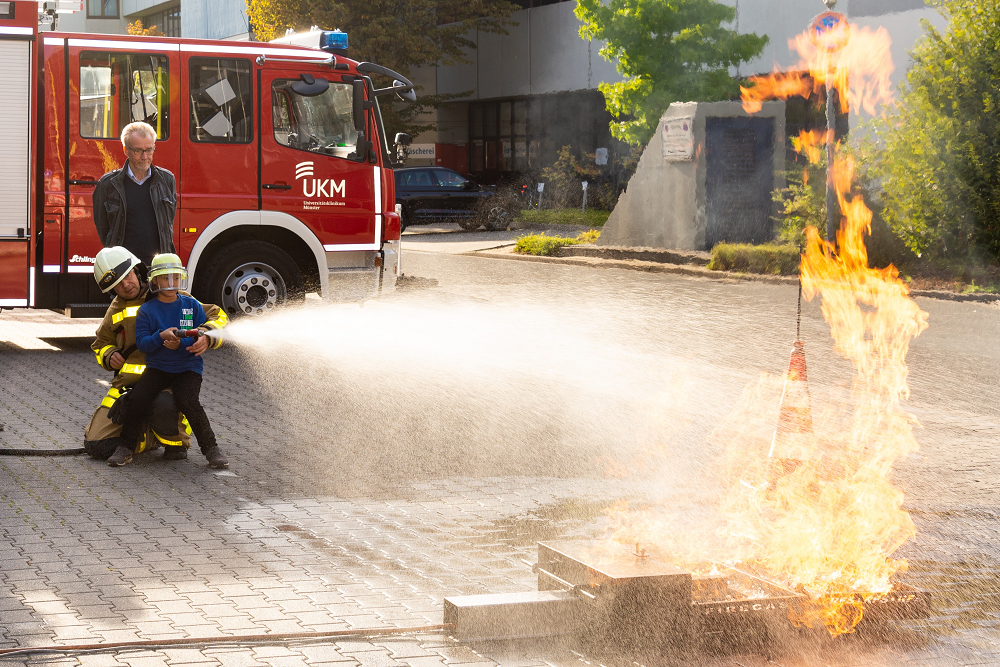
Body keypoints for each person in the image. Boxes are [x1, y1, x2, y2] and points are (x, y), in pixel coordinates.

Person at [87, 246, 227, 461]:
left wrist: (207, 337)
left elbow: (218, 317)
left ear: (138, 271)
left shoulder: (174, 295)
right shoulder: (116, 309)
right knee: (96, 445)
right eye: (117, 285)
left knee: (167, 403)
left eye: (128, 277)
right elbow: (100, 343)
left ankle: (173, 440)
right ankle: (142, 435)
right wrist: (108, 354)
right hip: (130, 385)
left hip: (171, 382)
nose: (126, 286)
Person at [92, 121, 177, 265]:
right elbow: (103, 227)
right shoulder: (107, 184)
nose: (145, 156)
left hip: (158, 266)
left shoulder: (167, 180)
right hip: (123, 267)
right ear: (126, 150)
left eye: (149, 150)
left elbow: (168, 221)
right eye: (138, 151)